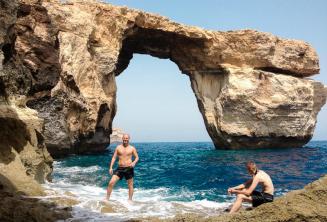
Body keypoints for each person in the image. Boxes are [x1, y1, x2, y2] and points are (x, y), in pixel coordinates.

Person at [106, 134, 139, 201]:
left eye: (126, 138)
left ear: (129, 139)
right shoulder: (118, 147)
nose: (125, 140)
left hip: (129, 168)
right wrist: (111, 167)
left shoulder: (132, 148)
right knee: (111, 183)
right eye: (124, 138)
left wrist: (134, 162)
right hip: (120, 168)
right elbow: (114, 157)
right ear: (122, 139)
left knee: (130, 185)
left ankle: (130, 200)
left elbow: (137, 157)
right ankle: (107, 199)